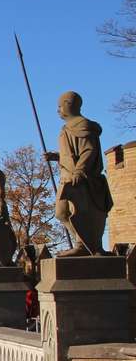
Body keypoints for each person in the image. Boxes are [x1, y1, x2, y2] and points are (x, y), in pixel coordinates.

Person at [45, 91, 113, 256]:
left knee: (78, 213)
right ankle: (83, 244)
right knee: (61, 213)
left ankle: (83, 246)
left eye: (60, 106)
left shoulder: (82, 126)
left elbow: (88, 151)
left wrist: (80, 171)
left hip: (81, 179)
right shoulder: (67, 128)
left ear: (69, 104)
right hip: (67, 177)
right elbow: (72, 154)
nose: (58, 110)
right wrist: (57, 157)